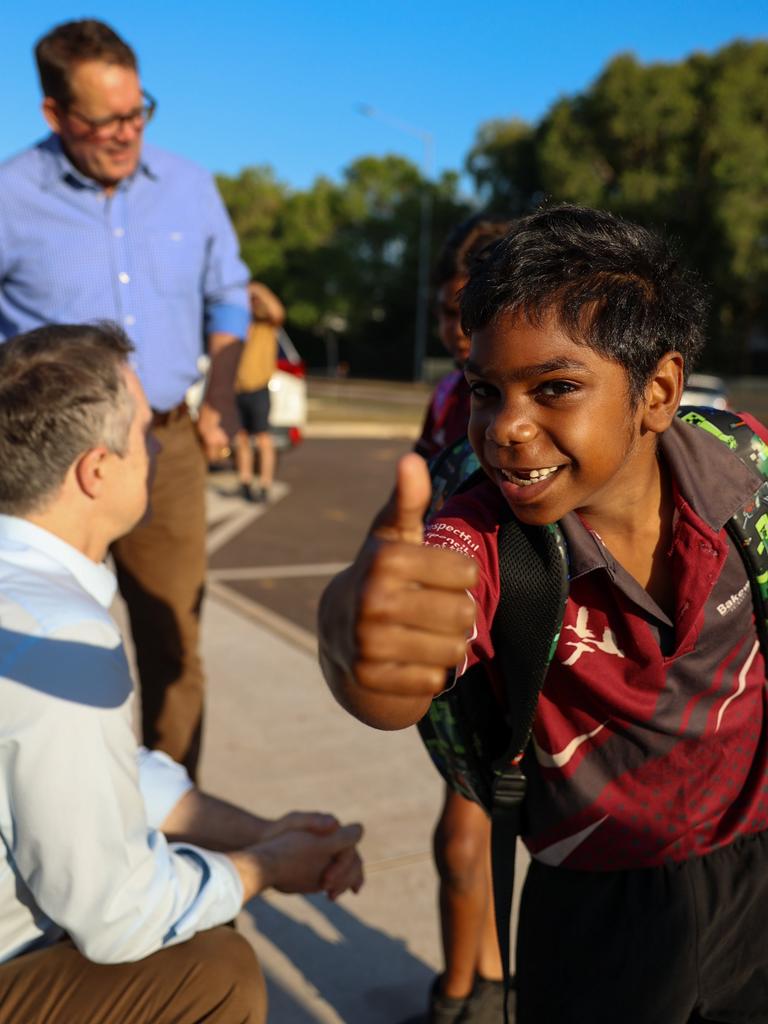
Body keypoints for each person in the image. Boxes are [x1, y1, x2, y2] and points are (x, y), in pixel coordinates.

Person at [318, 205, 768, 1023]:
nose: (507, 428)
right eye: (487, 392)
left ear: (659, 391)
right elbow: (397, 680)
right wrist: (351, 642)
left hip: (756, 859)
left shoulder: (745, 472)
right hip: (592, 899)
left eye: (554, 388)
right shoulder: (480, 530)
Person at [0, 323, 364, 1024]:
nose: (162, 443)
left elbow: (108, 772)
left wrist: (259, 835)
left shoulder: (27, 596)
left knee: (200, 905)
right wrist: (266, 869)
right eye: (142, 430)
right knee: (212, 970)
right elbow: (113, 913)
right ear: (96, 470)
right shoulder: (55, 630)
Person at [0, 18, 251, 779]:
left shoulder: (189, 185)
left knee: (173, 642)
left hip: (164, 449)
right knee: (36, 639)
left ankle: (172, 842)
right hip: (41, 460)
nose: (125, 132)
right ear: (54, 114)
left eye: (137, 111)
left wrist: (226, 394)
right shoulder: (9, 195)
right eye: (105, 119)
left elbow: (229, 294)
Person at [409, 216, 512, 1024]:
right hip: (447, 623)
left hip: (503, 636)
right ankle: (477, 980)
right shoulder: (449, 393)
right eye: (449, 314)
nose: (456, 332)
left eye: (469, 312)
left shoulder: (500, 402)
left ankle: (460, 997)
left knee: (467, 831)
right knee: (469, 830)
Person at [234, 281, 282, 503]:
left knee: (263, 438)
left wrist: (258, 289)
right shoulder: (238, 326)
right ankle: (244, 481)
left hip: (259, 388)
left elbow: (277, 311)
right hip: (237, 388)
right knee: (241, 438)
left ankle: (264, 483)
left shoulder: (266, 325)